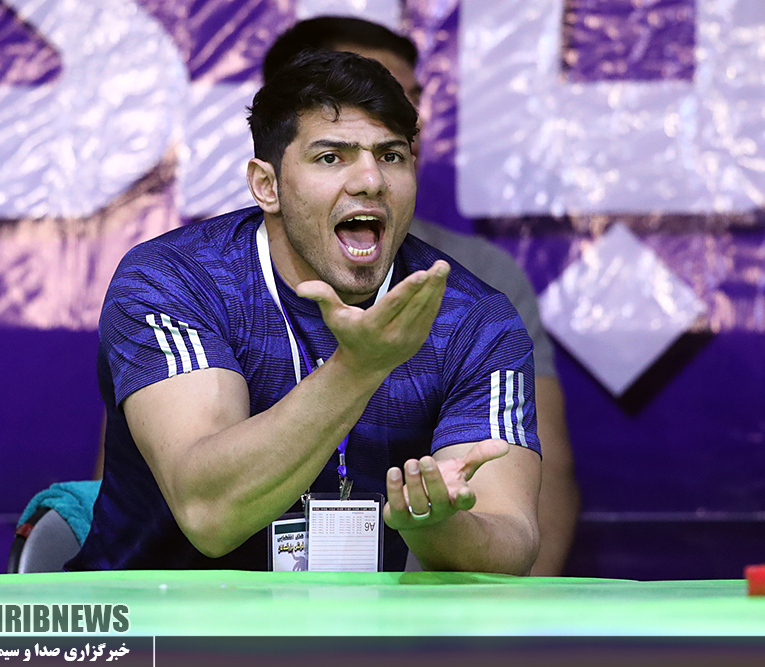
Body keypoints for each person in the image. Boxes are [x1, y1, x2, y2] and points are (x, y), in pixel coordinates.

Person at [67, 50, 541, 574]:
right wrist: (358, 367)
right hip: (154, 618)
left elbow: (512, 540)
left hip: (356, 625)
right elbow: (208, 512)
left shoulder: (474, 320)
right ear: (266, 186)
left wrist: (434, 523)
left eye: (391, 156)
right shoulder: (174, 280)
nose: (371, 181)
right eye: (331, 157)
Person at [263, 16, 580, 576]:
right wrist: (358, 367)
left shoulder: (479, 288)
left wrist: (445, 534)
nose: (397, 117)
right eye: (354, 92)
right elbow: (154, 478)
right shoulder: (189, 275)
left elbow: (531, 497)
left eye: (405, 99)